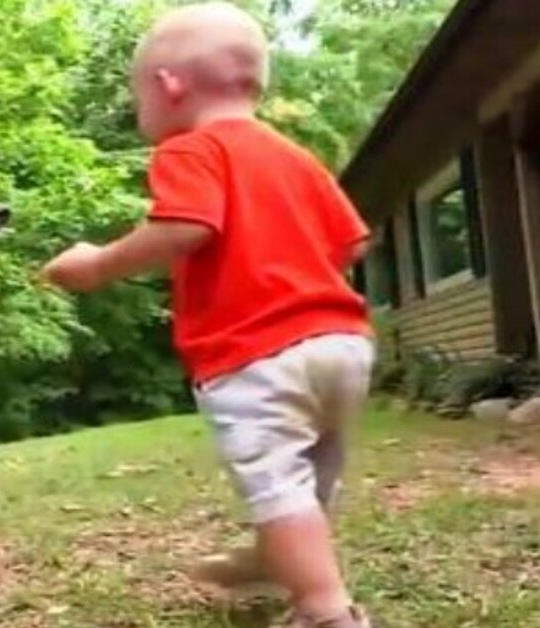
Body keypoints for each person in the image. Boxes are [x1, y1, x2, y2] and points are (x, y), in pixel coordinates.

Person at [40, 3, 375, 627]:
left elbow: (184, 228)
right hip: (344, 344)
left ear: (169, 85)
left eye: (136, 92)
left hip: (255, 352)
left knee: (276, 480)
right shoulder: (295, 156)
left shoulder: (190, 149)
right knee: (309, 475)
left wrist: (95, 266)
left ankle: (325, 609)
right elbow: (352, 243)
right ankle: (275, 557)